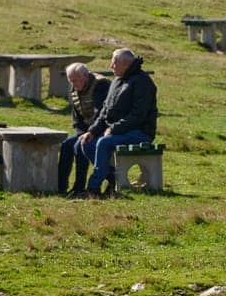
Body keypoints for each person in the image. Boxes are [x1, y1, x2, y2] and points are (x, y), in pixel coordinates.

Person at [80, 48, 158, 197]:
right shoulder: (117, 81)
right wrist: (92, 131)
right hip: (119, 132)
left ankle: (93, 189)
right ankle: (114, 179)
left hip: (140, 132)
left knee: (103, 143)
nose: (111, 66)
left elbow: (138, 115)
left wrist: (114, 129)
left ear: (125, 64)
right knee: (86, 143)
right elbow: (105, 111)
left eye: (114, 63)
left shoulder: (143, 82)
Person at [59, 62, 110, 195]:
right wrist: (82, 132)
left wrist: (90, 132)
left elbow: (102, 114)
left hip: (103, 129)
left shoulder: (101, 85)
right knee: (66, 145)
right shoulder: (74, 89)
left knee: (79, 145)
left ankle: (79, 187)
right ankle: (60, 187)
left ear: (86, 76)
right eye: (71, 80)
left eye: (76, 80)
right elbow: (77, 118)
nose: (73, 84)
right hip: (87, 130)